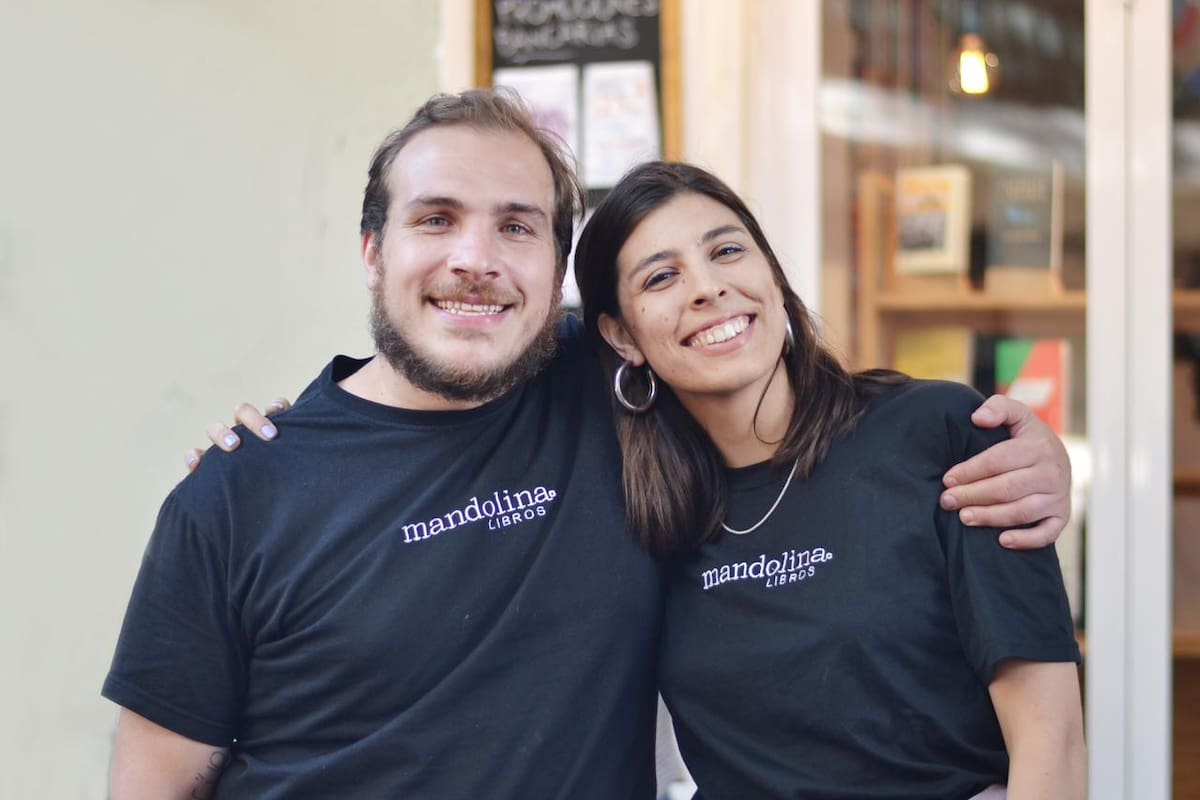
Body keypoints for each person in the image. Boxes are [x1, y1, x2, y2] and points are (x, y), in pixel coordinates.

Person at [106, 89, 1071, 799]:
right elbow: (153, 784)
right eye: (435, 219)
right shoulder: (236, 495)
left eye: (516, 227)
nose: (474, 260)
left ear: (554, 271)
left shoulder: (605, 391)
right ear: (373, 249)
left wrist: (1038, 448)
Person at [572, 160, 1085, 799]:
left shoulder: (942, 434)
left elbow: (1052, 738)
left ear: (771, 274)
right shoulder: (638, 508)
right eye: (662, 277)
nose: (707, 288)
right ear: (623, 336)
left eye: (728, 250)